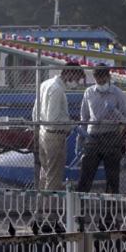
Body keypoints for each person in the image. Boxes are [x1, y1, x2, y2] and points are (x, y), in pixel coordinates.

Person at [76, 64, 126, 194]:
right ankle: (78, 211)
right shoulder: (89, 92)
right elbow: (84, 117)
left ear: (108, 77)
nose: (100, 82)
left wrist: (115, 112)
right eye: (97, 79)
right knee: (85, 176)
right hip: (92, 137)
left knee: (112, 178)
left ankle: (110, 213)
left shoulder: (117, 93)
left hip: (111, 136)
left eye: (103, 79)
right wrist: (81, 138)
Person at [32, 61, 83, 190]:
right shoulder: (57, 90)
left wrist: (36, 129)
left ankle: (42, 205)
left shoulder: (45, 84)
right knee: (54, 175)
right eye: (76, 79)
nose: (76, 83)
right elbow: (53, 119)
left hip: (43, 132)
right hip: (55, 136)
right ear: (69, 73)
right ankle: (51, 207)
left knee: (45, 173)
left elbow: (35, 111)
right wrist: (71, 124)